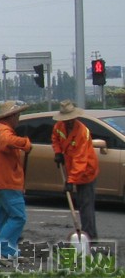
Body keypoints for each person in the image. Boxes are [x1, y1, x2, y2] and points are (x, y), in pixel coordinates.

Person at [0, 101, 32, 261]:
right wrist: (25, 143)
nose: (19, 118)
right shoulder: (4, 130)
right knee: (18, 217)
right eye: (18, 115)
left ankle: (8, 251)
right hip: (6, 181)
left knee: (5, 218)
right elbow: (7, 142)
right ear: (11, 116)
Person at [52, 99, 99, 239]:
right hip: (72, 169)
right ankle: (85, 235)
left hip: (86, 172)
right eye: (67, 120)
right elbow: (55, 138)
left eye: (71, 119)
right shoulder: (59, 127)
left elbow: (80, 159)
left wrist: (71, 181)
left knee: (86, 206)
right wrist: (58, 152)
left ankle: (90, 237)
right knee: (80, 204)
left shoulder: (82, 132)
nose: (69, 122)